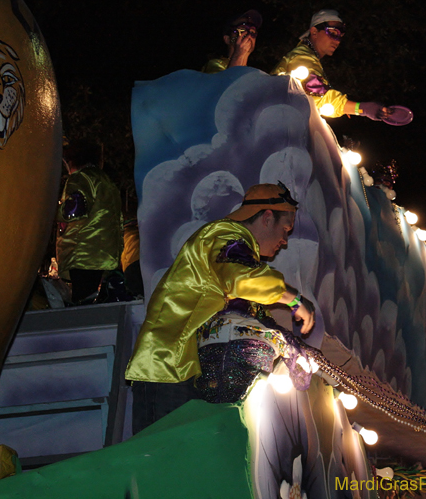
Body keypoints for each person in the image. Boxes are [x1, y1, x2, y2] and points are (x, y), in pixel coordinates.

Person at [125, 182, 315, 433]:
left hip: (180, 368)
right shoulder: (225, 236)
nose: (284, 240)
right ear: (268, 218)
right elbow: (240, 278)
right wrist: (293, 298)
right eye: (286, 229)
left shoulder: (228, 243)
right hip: (167, 366)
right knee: (164, 452)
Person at [271, 9, 393, 121]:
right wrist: (362, 108)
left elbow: (320, 103)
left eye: (340, 36)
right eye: (333, 33)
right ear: (314, 32)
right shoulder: (302, 56)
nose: (337, 40)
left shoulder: (308, 57)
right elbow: (318, 96)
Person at [55, 138, 124, 304]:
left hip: (83, 251)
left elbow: (75, 209)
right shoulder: (106, 181)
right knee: (92, 300)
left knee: (82, 302)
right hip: (105, 252)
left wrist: (54, 211)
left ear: (72, 160)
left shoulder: (80, 178)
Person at [202, 9, 262, 74]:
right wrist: (238, 55)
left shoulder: (253, 72)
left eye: (252, 31)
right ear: (227, 39)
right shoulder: (215, 64)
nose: (248, 35)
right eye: (242, 29)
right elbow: (226, 80)